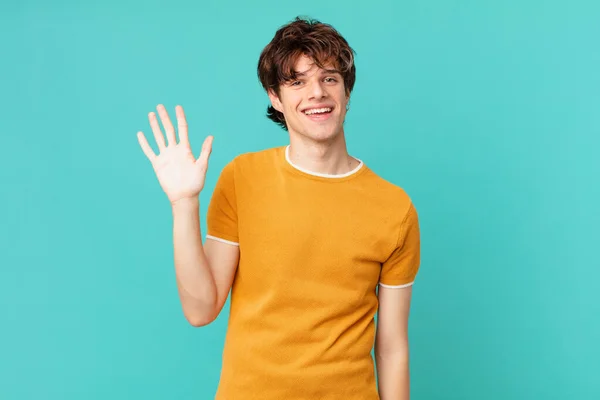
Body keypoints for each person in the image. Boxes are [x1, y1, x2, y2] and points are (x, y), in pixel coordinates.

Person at [137, 16, 421, 400]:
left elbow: (391, 348)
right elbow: (201, 309)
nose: (316, 93)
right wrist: (184, 203)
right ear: (275, 97)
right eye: (297, 82)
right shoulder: (242, 178)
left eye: (329, 78)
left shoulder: (394, 208)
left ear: (346, 93)